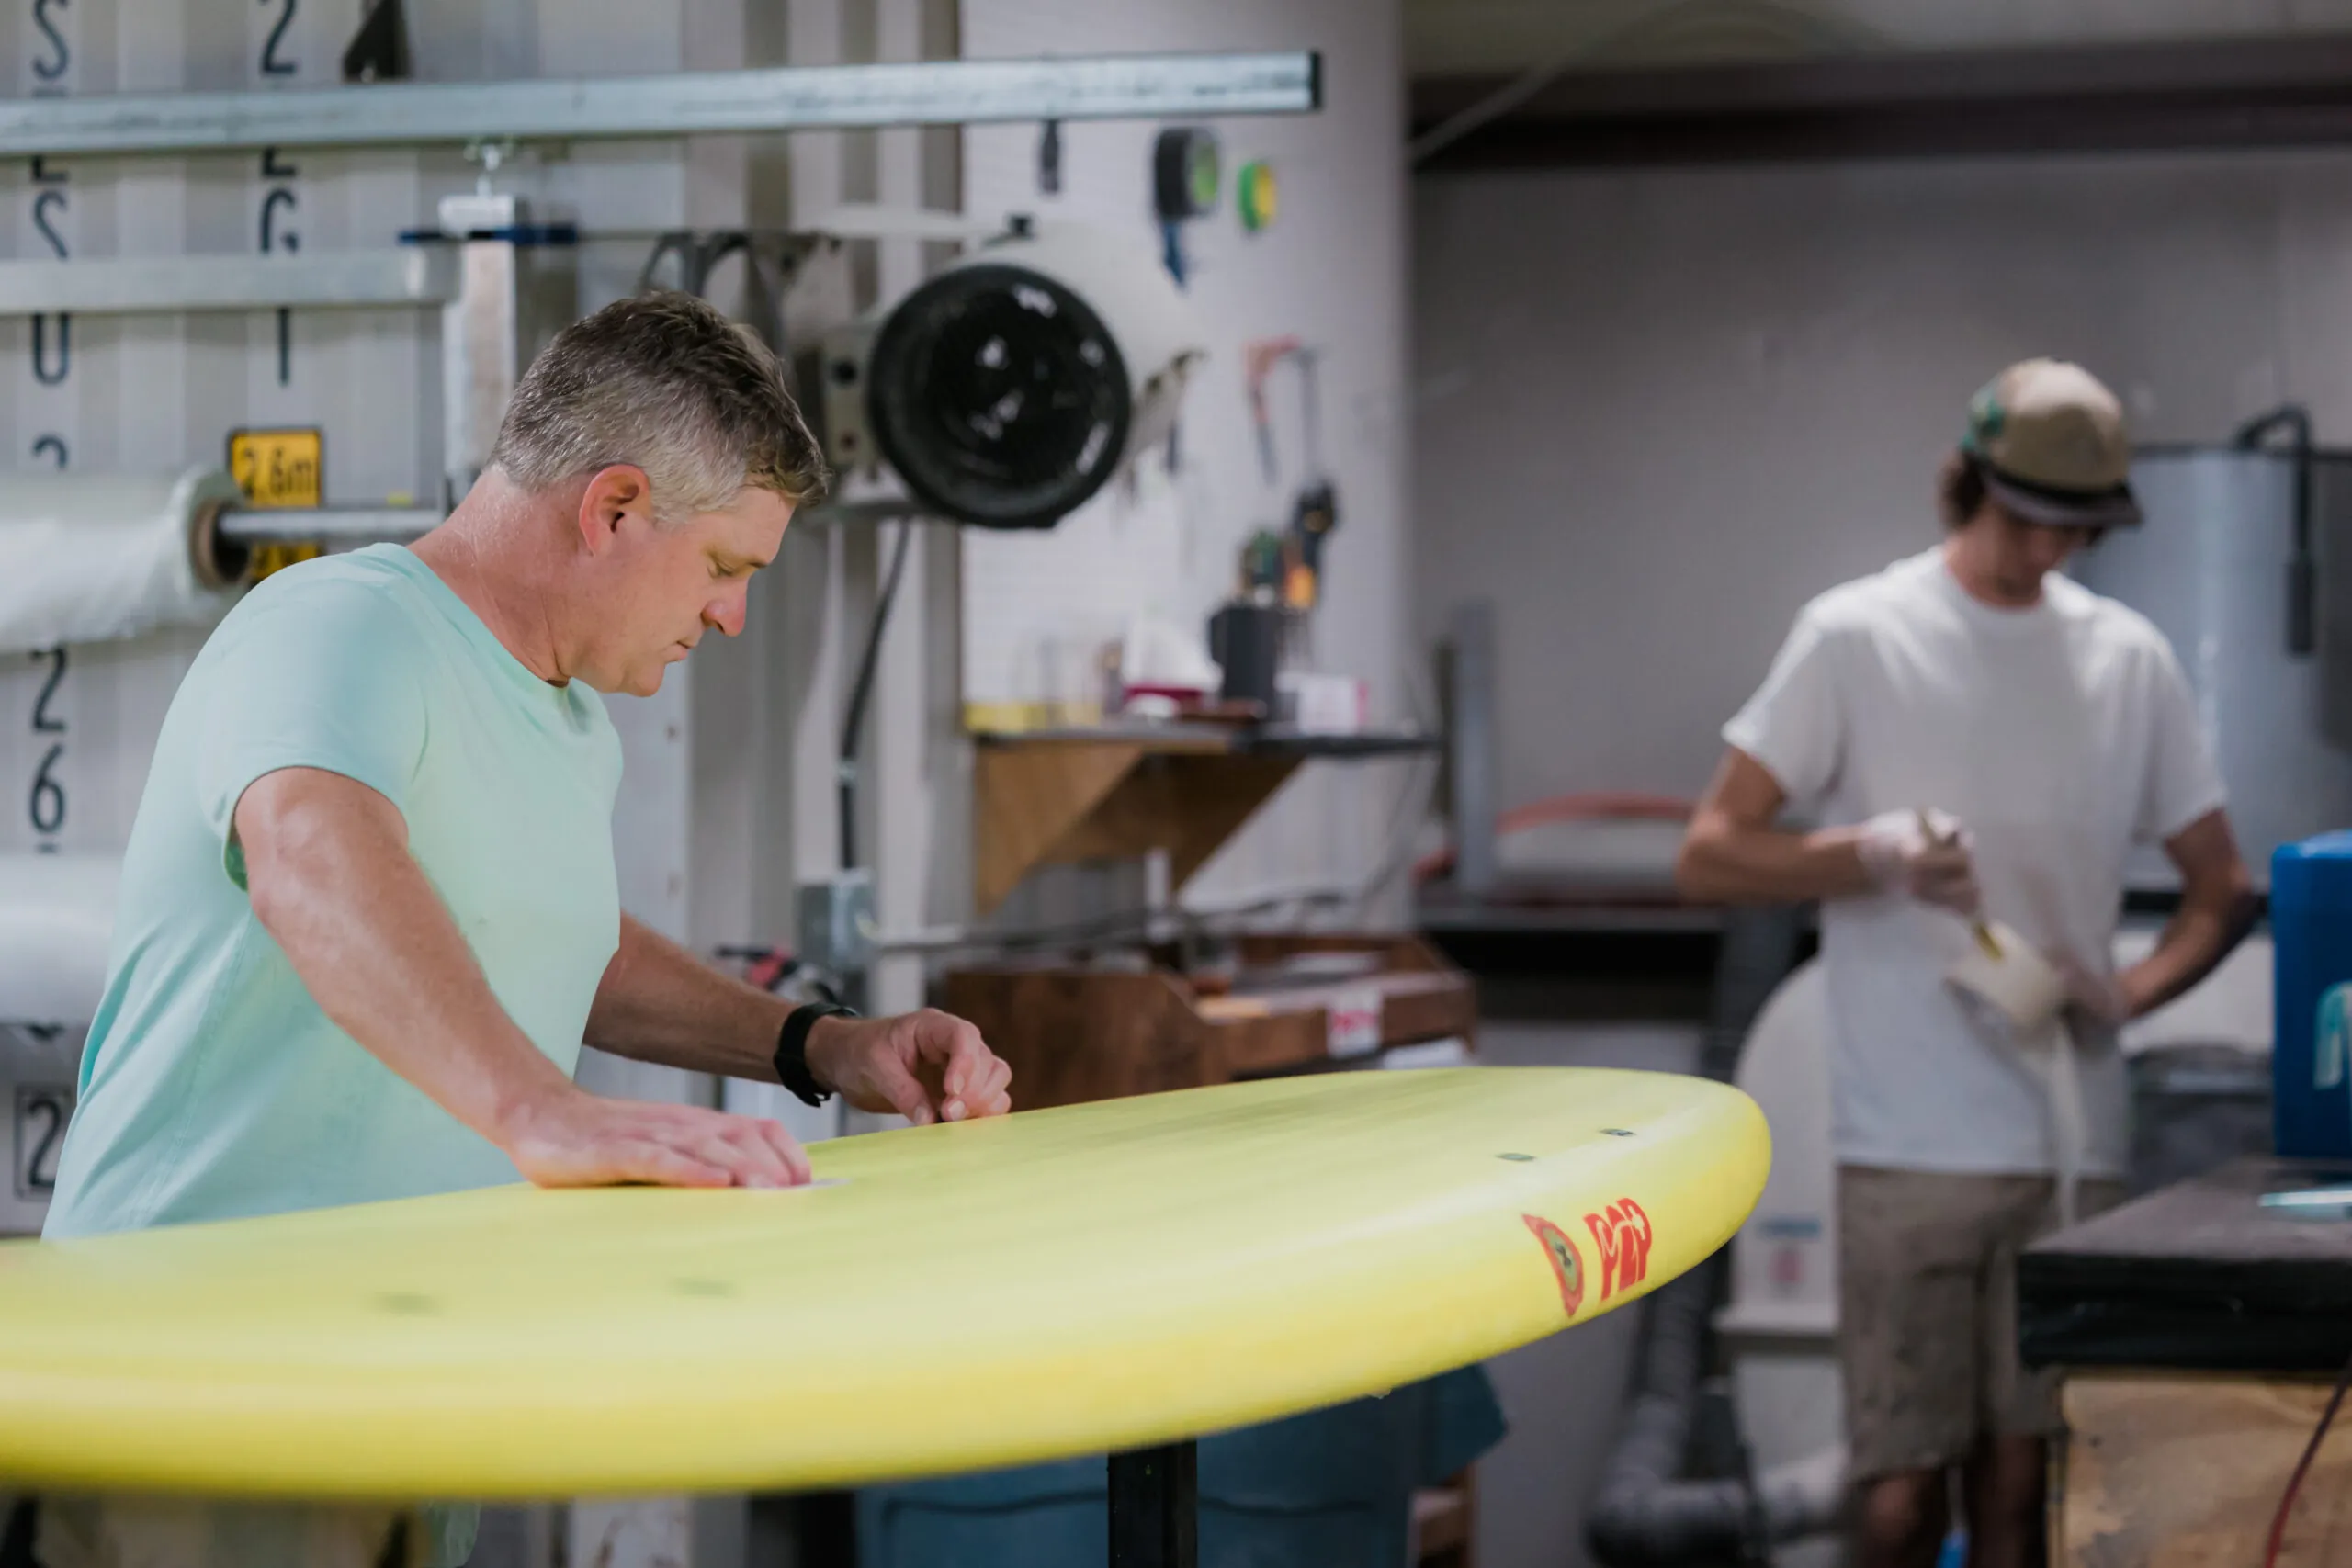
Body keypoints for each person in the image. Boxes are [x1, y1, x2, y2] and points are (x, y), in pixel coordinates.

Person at [35, 292, 1013, 1568]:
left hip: (400, 1378)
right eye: (726, 568)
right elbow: (314, 861)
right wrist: (540, 1112)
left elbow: (563, 943)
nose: (729, 618)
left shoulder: (567, 724)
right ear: (611, 508)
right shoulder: (340, 628)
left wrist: (822, 1045)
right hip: (198, 1375)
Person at [1676, 359, 2256, 1568]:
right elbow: (1712, 855)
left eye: (2077, 528)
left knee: (2028, 1495)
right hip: (1905, 1140)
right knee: (1896, 1504)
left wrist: (2129, 995)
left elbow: (2224, 887)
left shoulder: (2127, 658)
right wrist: (1869, 853)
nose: (2050, 551)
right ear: (1973, 484)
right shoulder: (1859, 636)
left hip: (2067, 1140)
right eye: (2032, 518)